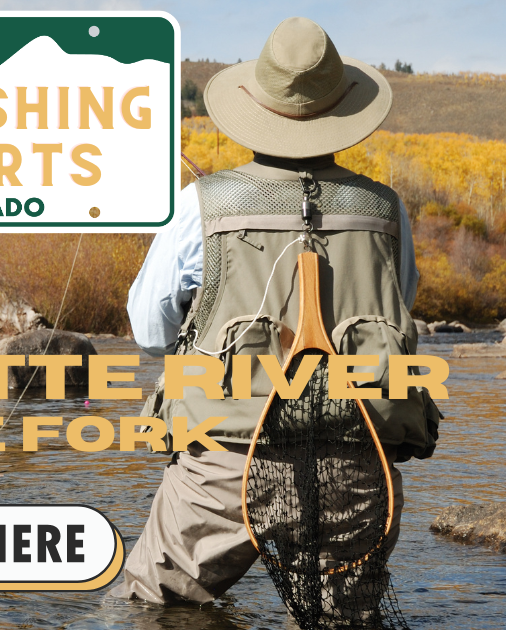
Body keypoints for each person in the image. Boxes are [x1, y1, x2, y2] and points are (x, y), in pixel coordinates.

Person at [109, 16, 441, 607]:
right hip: (357, 461)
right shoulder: (385, 208)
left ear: (256, 110)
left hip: (222, 466)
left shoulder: (200, 204)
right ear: (343, 114)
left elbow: (149, 328)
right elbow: (399, 312)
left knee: (155, 611)